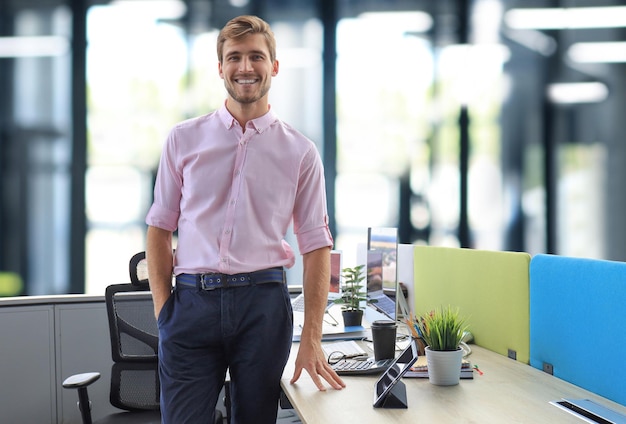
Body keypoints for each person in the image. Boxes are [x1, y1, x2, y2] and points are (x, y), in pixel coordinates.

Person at [145, 14, 345, 424]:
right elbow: (160, 228)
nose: (245, 67)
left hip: (263, 308)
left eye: (257, 56)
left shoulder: (301, 152)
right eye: (234, 57)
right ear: (220, 67)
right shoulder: (182, 139)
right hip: (191, 306)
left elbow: (316, 245)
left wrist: (312, 340)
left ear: (274, 66)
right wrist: (165, 312)